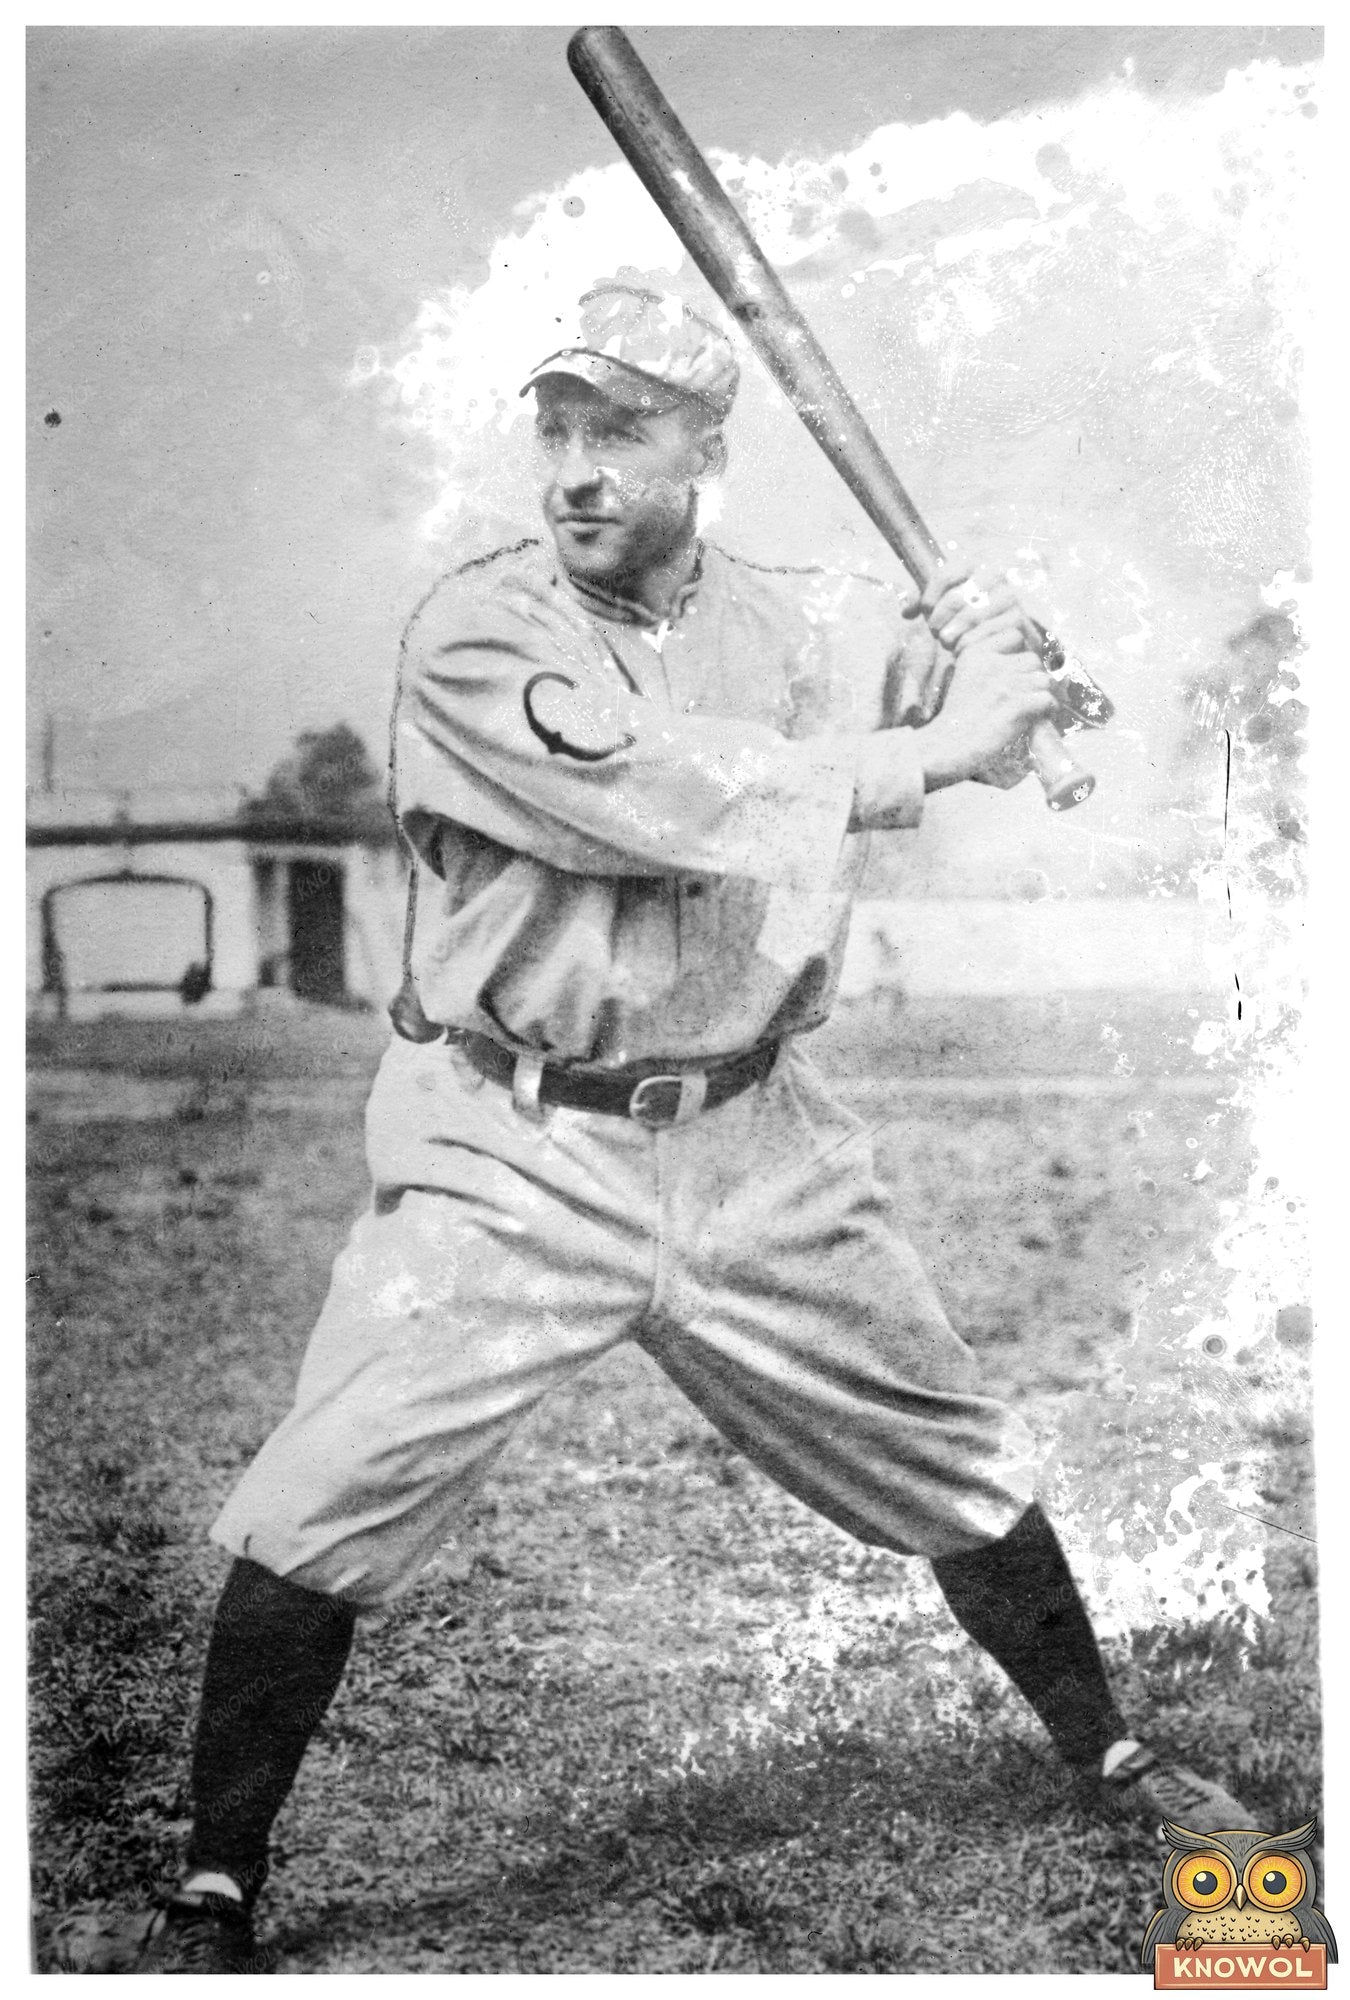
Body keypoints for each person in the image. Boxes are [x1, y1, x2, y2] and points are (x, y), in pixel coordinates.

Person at [93, 283, 1249, 1974]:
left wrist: (1000, 649)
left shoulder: (807, 622)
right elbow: (664, 795)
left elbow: (984, 703)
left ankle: (1113, 1749)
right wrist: (929, 751)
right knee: (324, 1489)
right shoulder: (479, 635)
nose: (572, 469)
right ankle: (216, 1874)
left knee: (951, 1445)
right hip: (512, 1144)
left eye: (618, 430)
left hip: (756, 1132)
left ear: (708, 449)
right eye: (552, 429)